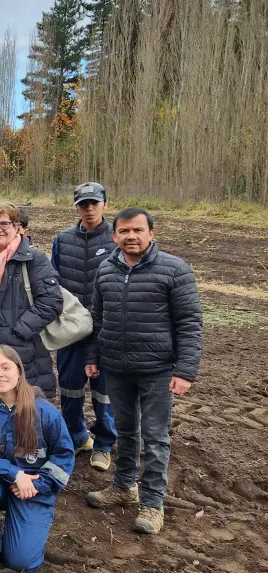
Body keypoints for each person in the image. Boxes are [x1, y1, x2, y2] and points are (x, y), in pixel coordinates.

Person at [84, 207, 202, 535]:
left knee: (155, 436)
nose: (131, 236)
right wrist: (92, 356)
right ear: (115, 236)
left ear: (151, 233)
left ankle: (152, 503)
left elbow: (189, 323)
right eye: (124, 231)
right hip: (116, 368)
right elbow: (97, 318)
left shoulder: (174, 269)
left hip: (158, 370)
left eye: (138, 230)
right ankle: (123, 488)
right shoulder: (106, 270)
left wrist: (186, 370)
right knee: (125, 431)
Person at [0, 346, 74, 573]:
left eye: (5, 367)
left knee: (22, 563)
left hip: (31, 490)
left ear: (19, 371)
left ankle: (19, 530)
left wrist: (36, 484)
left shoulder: (44, 411)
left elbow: (64, 456)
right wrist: (16, 474)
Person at [0, 202, 63, 398]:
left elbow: (51, 301)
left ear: (16, 227)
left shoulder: (32, 258)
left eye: (4, 224)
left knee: (21, 411)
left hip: (20, 350)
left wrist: (18, 331)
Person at [50, 182, 117, 471]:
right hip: (72, 330)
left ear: (104, 204)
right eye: (83, 204)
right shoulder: (62, 240)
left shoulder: (117, 239)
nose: (89, 208)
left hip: (107, 330)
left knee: (104, 392)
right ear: (76, 206)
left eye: (94, 203)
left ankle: (104, 444)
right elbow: (52, 282)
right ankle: (77, 437)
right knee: (71, 389)